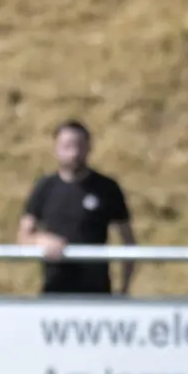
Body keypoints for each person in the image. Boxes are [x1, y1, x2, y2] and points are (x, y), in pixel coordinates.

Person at [17, 120, 137, 296]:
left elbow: (128, 241)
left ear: (89, 148)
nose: (74, 153)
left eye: (80, 146)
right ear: (56, 149)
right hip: (55, 291)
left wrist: (125, 287)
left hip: (97, 293)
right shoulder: (45, 188)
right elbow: (23, 236)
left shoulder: (107, 188)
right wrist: (42, 240)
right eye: (67, 146)